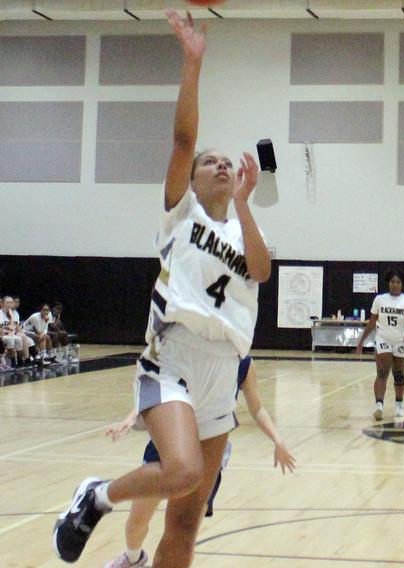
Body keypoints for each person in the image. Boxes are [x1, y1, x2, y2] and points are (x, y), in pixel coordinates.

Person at [53, 10, 271, 567]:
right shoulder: (182, 213)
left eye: (228, 162)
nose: (221, 165)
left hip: (225, 369)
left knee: (185, 525)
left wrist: (245, 208)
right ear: (192, 178)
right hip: (172, 355)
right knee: (180, 473)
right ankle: (95, 497)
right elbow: (183, 138)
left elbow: (262, 271)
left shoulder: (244, 225)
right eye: (210, 162)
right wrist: (192, 63)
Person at [103, 357, 295, 568]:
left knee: (185, 533)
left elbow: (257, 408)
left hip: (209, 450)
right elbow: (160, 387)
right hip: (169, 440)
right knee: (137, 521)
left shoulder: (244, 365)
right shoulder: (188, 345)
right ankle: (133, 558)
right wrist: (131, 417)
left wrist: (278, 440)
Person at [356, 269, 404, 421]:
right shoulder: (380, 300)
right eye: (392, 282)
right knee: (382, 372)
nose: (395, 285)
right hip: (383, 338)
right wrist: (362, 340)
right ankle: (379, 405)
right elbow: (372, 321)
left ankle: (399, 404)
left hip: (400, 340)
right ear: (388, 283)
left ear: (402, 284)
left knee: (398, 373)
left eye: (397, 282)